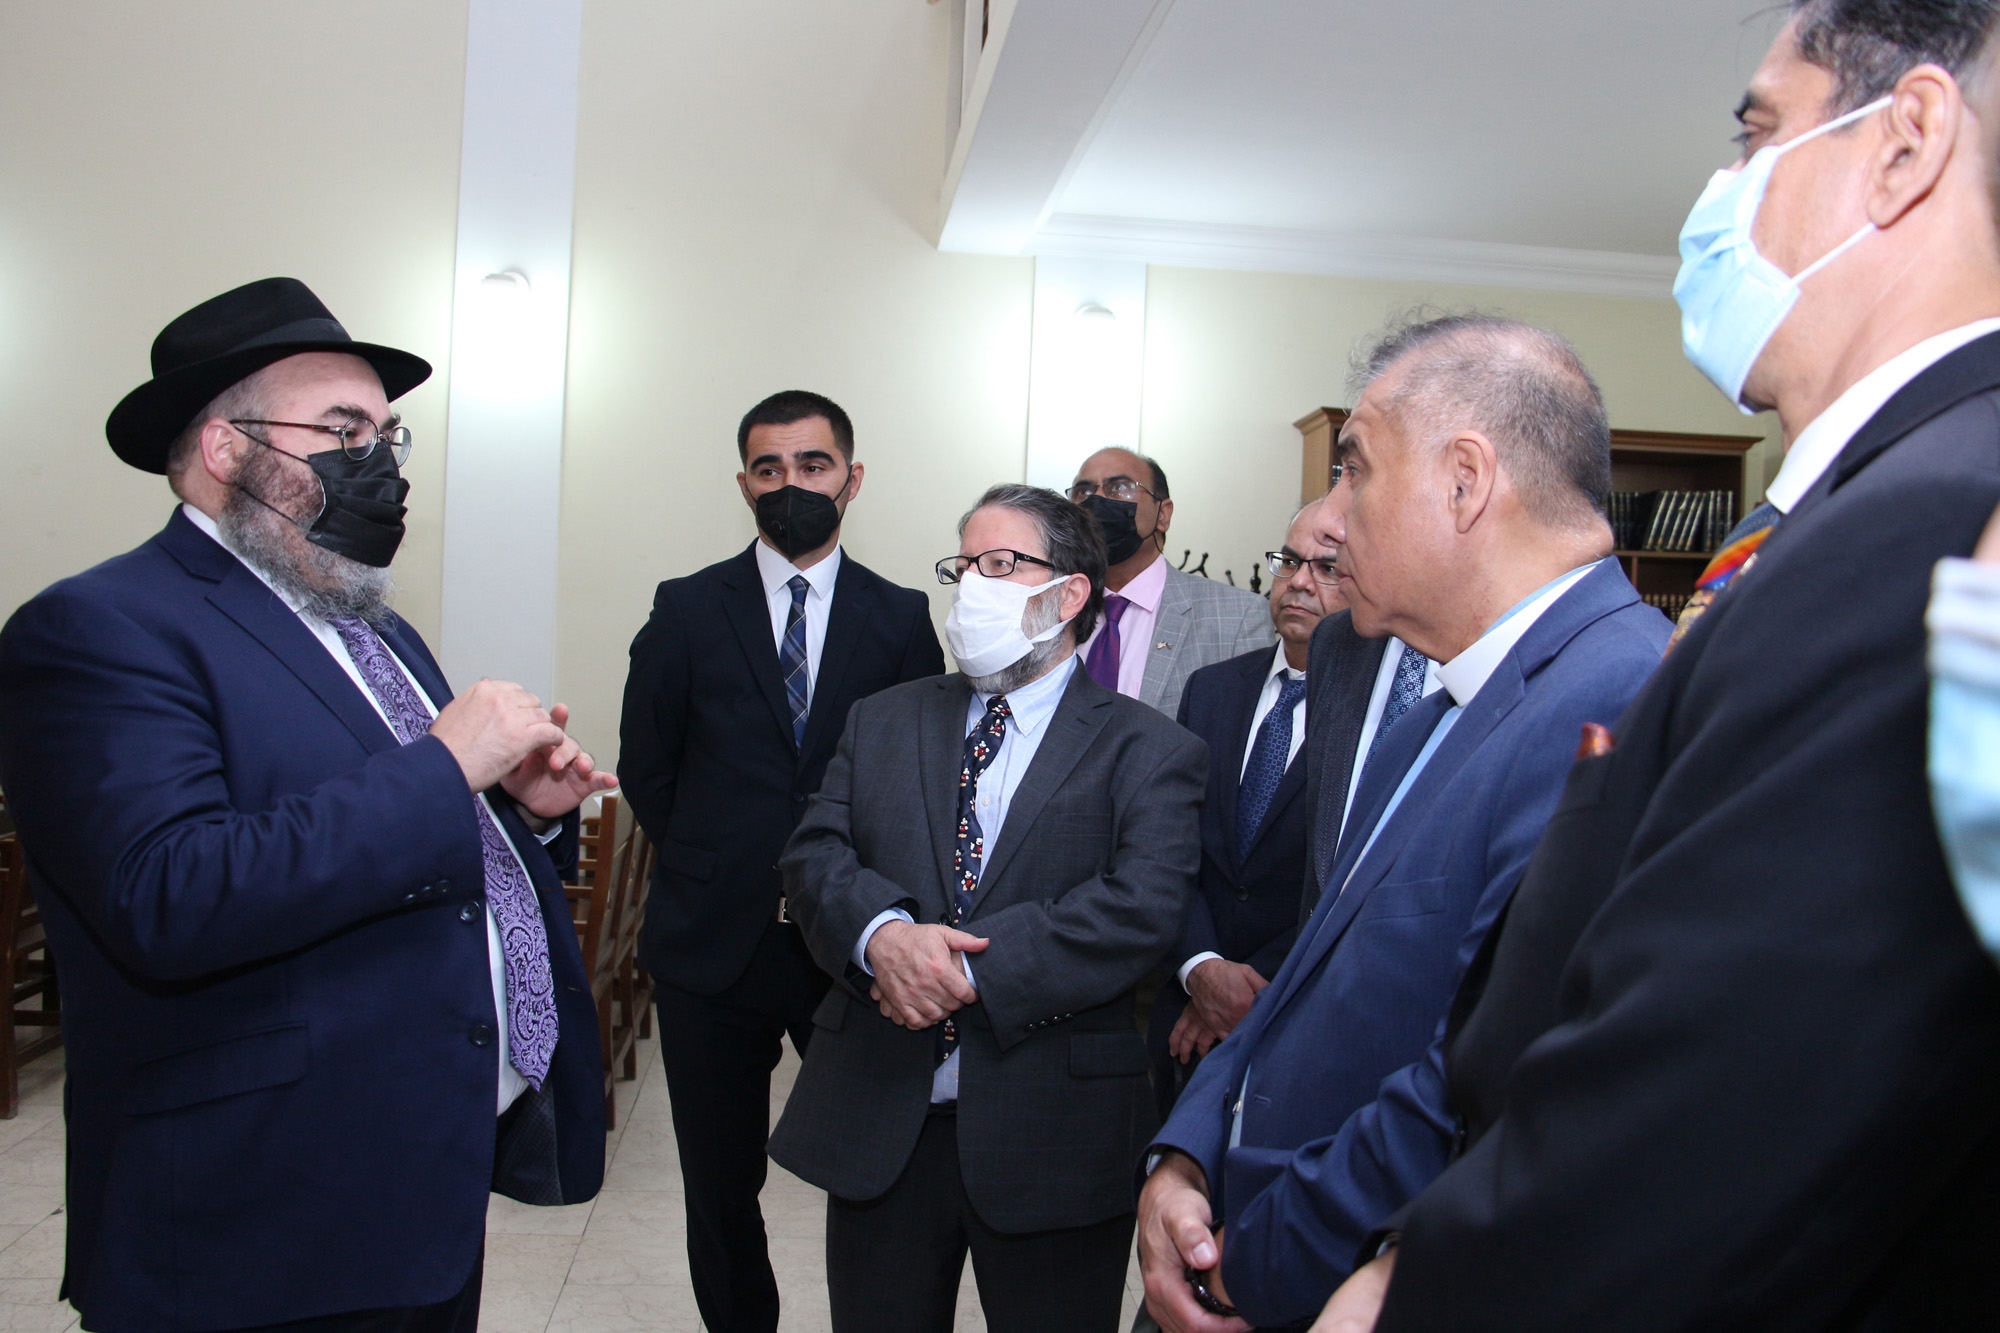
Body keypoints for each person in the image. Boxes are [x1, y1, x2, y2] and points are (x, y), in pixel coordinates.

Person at [1316, 5, 2000, 1329]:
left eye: (1756, 133)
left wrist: (1419, 1289)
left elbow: (1731, 1097)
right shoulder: (1832, 513)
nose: (1722, 192)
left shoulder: (1932, 519)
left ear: (1904, 140)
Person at [0, 277, 615, 1333]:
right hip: (255, 1216)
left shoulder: (370, 624)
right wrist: (443, 767)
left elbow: (401, 838)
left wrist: (524, 810)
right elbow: (168, 894)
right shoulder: (101, 627)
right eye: (341, 429)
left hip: (413, 1183)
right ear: (225, 449)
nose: (379, 461)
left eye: (387, 434)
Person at [1136, 316, 1671, 1333]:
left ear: (1465, 481)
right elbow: (1307, 975)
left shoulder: (1615, 700)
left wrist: (1247, 1261)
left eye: (1355, 470)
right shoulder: (1442, 707)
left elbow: (1483, 1076)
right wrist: (1187, 1152)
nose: (1334, 520)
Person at [766, 484, 1206, 1333]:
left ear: (1069, 594)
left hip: (1055, 1133)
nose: (972, 584)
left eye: (1001, 564)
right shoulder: (884, 718)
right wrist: (882, 936)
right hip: (883, 1121)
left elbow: (1140, 906)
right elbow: (813, 854)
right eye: (963, 564)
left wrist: (958, 968)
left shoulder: (1152, 748)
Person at [617, 390, 943, 1333]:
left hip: (848, 947)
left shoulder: (899, 617)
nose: (789, 483)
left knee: (877, 1169)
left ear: (852, 478)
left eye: (812, 464)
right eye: (769, 468)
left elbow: (918, 777)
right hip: (711, 945)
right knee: (720, 1186)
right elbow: (649, 765)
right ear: (743, 484)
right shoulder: (686, 608)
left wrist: (856, 894)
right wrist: (717, 863)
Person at [1146, 501, 1344, 1118]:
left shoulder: (1383, 712)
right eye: (1290, 561)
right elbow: (1169, 845)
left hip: (1302, 1011)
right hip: (1183, 1006)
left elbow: (1350, 878)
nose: (1299, 582)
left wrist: (1246, 991)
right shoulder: (1212, 688)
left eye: (1327, 568)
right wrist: (1202, 969)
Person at [1069, 448, 1273, 714]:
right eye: (1083, 491)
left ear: (1162, 514)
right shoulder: (1052, 608)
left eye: (1119, 487)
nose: (1096, 500)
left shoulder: (1238, 617)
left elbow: (1248, 729)